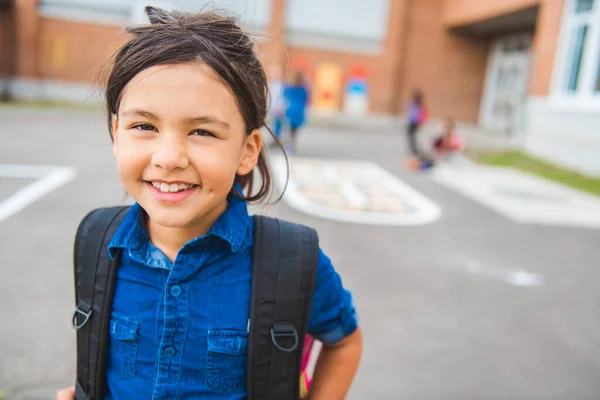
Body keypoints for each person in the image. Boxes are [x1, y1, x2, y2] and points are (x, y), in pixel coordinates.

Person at [56, 6, 361, 400]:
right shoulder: (96, 241)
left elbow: (344, 342)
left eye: (202, 131)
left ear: (248, 150)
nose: (169, 157)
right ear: (117, 132)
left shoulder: (293, 260)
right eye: (144, 126)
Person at [284, 71, 310, 154]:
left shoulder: (290, 88)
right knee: (294, 131)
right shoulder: (304, 89)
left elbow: (285, 96)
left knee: (289, 129)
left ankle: (289, 147)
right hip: (299, 111)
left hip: (291, 110)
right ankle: (292, 146)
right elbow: (306, 100)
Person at [405, 89, 428, 157]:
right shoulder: (413, 103)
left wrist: (421, 121)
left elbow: (422, 113)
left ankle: (415, 149)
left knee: (413, 136)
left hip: (415, 122)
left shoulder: (419, 104)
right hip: (412, 122)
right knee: (411, 136)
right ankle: (413, 149)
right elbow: (408, 109)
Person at [267, 64, 287, 142]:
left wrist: (282, 107)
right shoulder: (271, 84)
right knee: (272, 124)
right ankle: (273, 139)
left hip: (279, 108)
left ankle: (276, 139)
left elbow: (283, 97)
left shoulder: (281, 85)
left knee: (278, 124)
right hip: (272, 107)